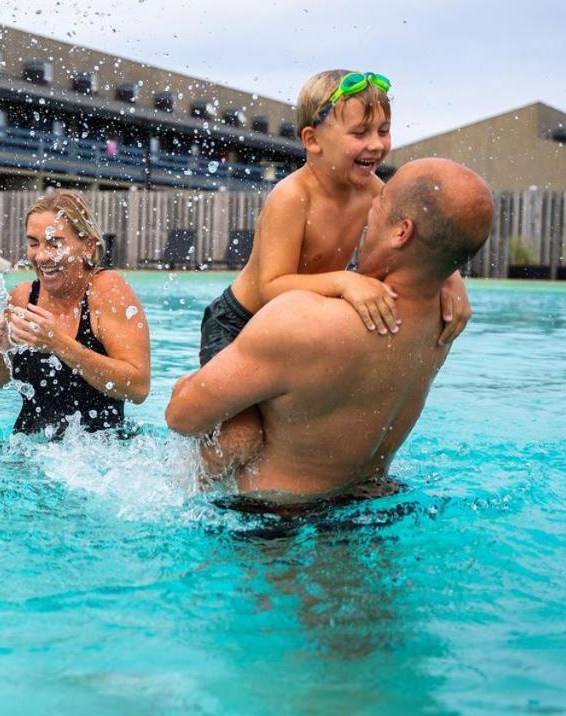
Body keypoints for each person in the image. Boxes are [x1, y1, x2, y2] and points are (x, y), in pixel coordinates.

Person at [165, 158, 494, 504]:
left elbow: (182, 417)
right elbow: (441, 246)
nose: (369, 210)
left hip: (273, 528)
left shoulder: (304, 321)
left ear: (402, 232)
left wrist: (185, 388)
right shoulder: (445, 320)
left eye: (380, 204)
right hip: (371, 509)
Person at [198, 70, 470, 465]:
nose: (376, 145)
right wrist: (344, 282)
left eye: (384, 130)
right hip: (239, 322)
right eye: (360, 133)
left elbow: (422, 237)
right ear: (312, 140)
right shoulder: (292, 197)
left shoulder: (376, 190)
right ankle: (198, 489)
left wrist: (451, 277)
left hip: (295, 325)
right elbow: (272, 286)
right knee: (243, 434)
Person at [0, 190, 150, 437]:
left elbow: (138, 388)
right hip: (27, 450)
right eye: (34, 243)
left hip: (98, 455)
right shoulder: (23, 298)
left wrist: (59, 344)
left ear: (88, 247)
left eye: (54, 243)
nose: (42, 256)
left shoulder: (106, 290)